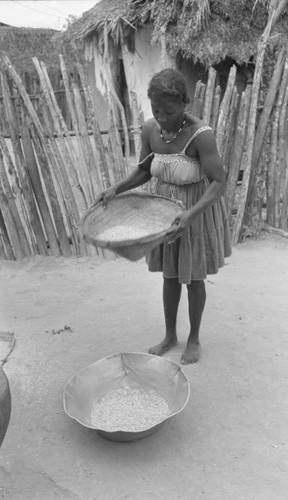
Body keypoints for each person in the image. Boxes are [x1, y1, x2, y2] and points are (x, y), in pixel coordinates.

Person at [96, 68, 232, 364]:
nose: (162, 117)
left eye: (169, 111)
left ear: (184, 104)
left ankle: (193, 338)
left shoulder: (201, 135)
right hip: (162, 211)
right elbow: (145, 170)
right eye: (156, 110)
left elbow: (219, 182)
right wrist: (115, 189)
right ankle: (170, 335)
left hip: (195, 211)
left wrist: (190, 216)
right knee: (170, 276)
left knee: (194, 277)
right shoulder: (150, 130)